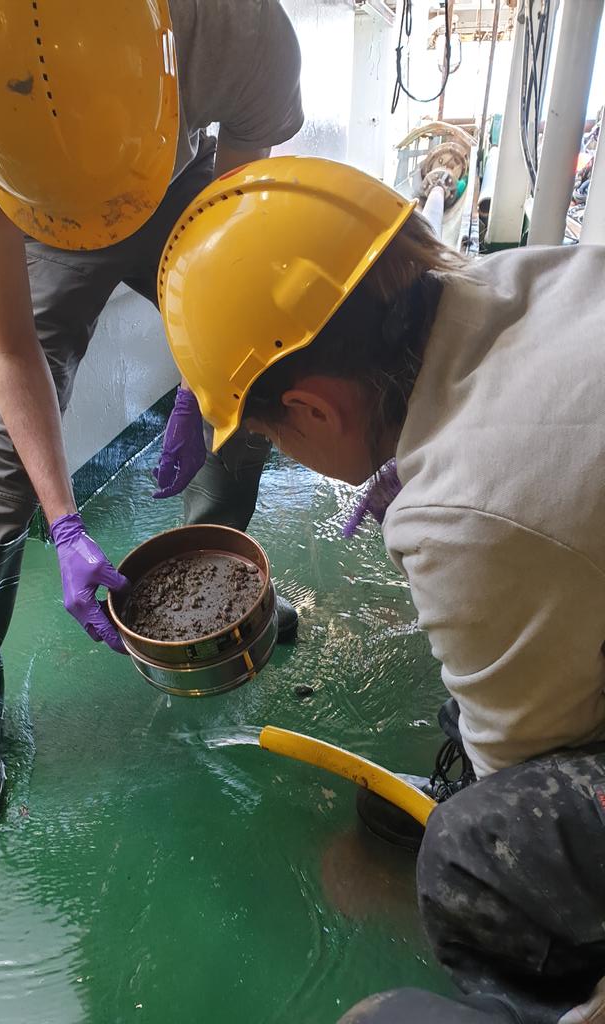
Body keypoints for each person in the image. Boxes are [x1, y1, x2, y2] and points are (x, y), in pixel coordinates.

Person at [158, 155, 605, 1024]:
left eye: (269, 435)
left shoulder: (464, 513)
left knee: (477, 860)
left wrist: (487, 810)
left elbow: (528, 761)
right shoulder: (529, 276)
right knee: (469, 698)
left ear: (316, 409)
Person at [0, 0, 303, 825]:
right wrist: (63, 522)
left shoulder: (233, 29)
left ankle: (227, 590)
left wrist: (212, 383)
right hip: (41, 228)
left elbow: (236, 278)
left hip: (174, 193)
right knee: (4, 440)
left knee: (255, 373)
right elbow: (14, 348)